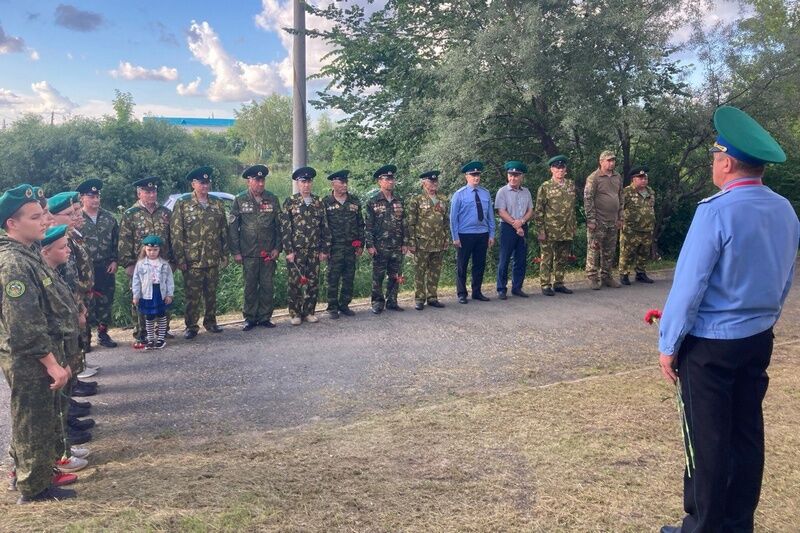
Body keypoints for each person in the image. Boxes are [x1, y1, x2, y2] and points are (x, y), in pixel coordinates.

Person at [658, 106, 800, 533]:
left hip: (710, 344)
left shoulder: (715, 211)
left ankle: (701, 526)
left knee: (707, 439)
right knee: (745, 433)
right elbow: (784, 277)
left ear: (726, 163)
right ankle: (738, 524)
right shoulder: (785, 210)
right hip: (757, 337)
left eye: (715, 159)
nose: (713, 166)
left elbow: (689, 286)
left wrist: (668, 344)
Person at [0, 183, 75, 503]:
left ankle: (35, 476)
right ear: (11, 224)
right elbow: (23, 324)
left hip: (38, 354)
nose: (43, 220)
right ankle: (34, 488)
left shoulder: (27, 254)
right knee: (32, 421)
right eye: (34, 217)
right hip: (30, 358)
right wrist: (52, 363)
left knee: (38, 418)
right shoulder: (14, 263)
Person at [38, 224, 90, 476]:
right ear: (46, 251)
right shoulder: (39, 274)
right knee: (50, 409)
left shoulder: (51, 272)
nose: (68, 250)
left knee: (60, 405)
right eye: (62, 247)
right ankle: (59, 455)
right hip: (50, 349)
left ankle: (63, 449)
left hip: (63, 345)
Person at [171, 167, 229, 339]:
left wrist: (224, 254)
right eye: (201, 183)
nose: (205, 186)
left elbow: (223, 230)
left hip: (212, 256)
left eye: (207, 183)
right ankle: (191, 326)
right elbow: (176, 233)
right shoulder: (183, 203)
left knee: (211, 293)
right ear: (193, 184)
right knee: (192, 295)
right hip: (192, 259)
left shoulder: (217, 203)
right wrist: (180, 258)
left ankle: (211, 322)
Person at [118, 177, 173, 347]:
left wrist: (173, 260)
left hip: (162, 264)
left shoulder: (165, 212)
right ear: (139, 193)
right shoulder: (130, 214)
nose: (151, 195)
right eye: (147, 192)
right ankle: (141, 332)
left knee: (163, 296)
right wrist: (128, 264)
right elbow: (124, 241)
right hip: (140, 266)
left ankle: (162, 331)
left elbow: (172, 238)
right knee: (141, 299)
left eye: (154, 191)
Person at [229, 164, 281, 330]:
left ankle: (265, 317)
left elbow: (279, 226)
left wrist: (277, 248)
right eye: (257, 180)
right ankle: (250, 317)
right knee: (250, 286)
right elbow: (233, 228)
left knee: (267, 286)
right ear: (249, 181)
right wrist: (236, 251)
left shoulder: (272, 199)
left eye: (262, 180)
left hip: (268, 252)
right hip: (248, 252)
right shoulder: (239, 200)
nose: (261, 183)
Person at [279, 167, 331, 325]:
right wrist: (288, 250)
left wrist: (324, 249)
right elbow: (285, 228)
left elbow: (325, 227)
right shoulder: (290, 202)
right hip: (297, 250)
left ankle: (309, 312)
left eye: (309, 182)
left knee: (313, 282)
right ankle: (295, 313)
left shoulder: (318, 202)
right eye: (303, 182)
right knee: (295, 282)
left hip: (314, 250)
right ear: (298, 183)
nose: (306, 185)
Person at [77, 178, 119, 348]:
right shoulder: (77, 219)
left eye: (97, 196)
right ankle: (85, 338)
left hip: (105, 266)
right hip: (85, 268)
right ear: (82, 198)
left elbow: (116, 241)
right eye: (91, 196)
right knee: (86, 302)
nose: (95, 200)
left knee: (105, 301)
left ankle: (103, 333)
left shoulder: (109, 218)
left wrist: (115, 260)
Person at [449, 160, 495, 304]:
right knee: (462, 265)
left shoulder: (485, 193)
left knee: (479, 264)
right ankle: (462, 293)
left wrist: (491, 234)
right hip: (465, 234)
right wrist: (455, 237)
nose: (476, 177)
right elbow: (453, 218)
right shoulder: (459, 194)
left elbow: (490, 215)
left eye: (478, 175)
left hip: (482, 233)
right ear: (466, 177)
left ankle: (477, 291)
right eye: (473, 175)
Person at [365, 164, 408, 313]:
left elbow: (404, 223)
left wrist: (405, 243)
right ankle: (377, 302)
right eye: (387, 179)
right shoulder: (373, 202)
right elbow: (368, 226)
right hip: (380, 246)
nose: (390, 181)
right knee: (378, 276)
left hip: (397, 245)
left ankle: (392, 300)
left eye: (392, 179)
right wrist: (370, 245)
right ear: (380, 181)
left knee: (395, 275)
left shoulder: (399, 200)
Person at [322, 170, 365, 319]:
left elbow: (360, 224)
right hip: (334, 248)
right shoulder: (326, 202)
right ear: (333, 184)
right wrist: (325, 248)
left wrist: (360, 244)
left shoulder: (354, 201)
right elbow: (323, 227)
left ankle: (344, 304)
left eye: (346, 182)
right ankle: (332, 307)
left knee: (348, 277)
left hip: (351, 247)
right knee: (333, 277)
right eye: (341, 182)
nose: (345, 185)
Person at [405, 170, 450, 310]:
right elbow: (411, 223)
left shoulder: (443, 199)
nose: (434, 184)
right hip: (422, 242)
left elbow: (446, 221)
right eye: (431, 181)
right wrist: (411, 243)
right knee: (420, 271)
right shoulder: (416, 200)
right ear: (424, 183)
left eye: (436, 181)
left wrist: (446, 239)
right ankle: (419, 298)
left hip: (438, 242)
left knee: (435, 271)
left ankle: (432, 297)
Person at [534, 155, 577, 295]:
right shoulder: (545, 187)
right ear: (551, 169)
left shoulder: (570, 185)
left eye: (562, 167)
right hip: (550, 229)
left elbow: (572, 208)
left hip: (566, 228)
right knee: (547, 258)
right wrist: (540, 230)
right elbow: (539, 210)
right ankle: (545, 284)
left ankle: (559, 283)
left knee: (562, 257)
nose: (560, 170)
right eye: (557, 168)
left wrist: (573, 226)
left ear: (565, 169)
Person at [584, 150, 623, 289]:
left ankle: (607, 276)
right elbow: (588, 199)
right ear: (601, 162)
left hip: (613, 220)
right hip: (598, 220)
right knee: (594, 249)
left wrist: (620, 217)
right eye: (609, 160)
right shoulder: (594, 177)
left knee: (609, 250)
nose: (611, 163)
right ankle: (592, 277)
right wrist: (591, 219)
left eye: (613, 160)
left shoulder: (617, 176)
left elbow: (620, 196)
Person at [495, 161, 534, 299]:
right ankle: (501, 289)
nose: (513, 178)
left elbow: (530, 210)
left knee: (520, 259)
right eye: (510, 175)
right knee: (504, 259)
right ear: (507, 176)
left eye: (516, 175)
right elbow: (501, 211)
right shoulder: (502, 191)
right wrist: (515, 224)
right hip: (507, 227)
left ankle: (517, 287)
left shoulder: (526, 192)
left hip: (523, 226)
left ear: (521, 176)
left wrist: (521, 222)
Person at [131, 236, 175, 349]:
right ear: (144, 249)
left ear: (159, 250)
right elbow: (136, 281)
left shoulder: (164, 264)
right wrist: (136, 295)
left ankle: (161, 339)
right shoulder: (140, 264)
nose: (152, 252)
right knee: (149, 316)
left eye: (155, 250)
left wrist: (169, 294)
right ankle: (150, 339)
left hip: (160, 293)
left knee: (161, 315)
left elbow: (169, 280)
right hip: (147, 294)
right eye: (149, 250)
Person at [619, 166, 656, 285]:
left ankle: (641, 273)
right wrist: (620, 221)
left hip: (647, 228)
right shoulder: (627, 192)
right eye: (641, 178)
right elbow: (620, 208)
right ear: (633, 179)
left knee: (644, 252)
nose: (644, 180)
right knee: (627, 252)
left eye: (645, 178)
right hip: (631, 229)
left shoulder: (650, 192)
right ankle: (624, 274)